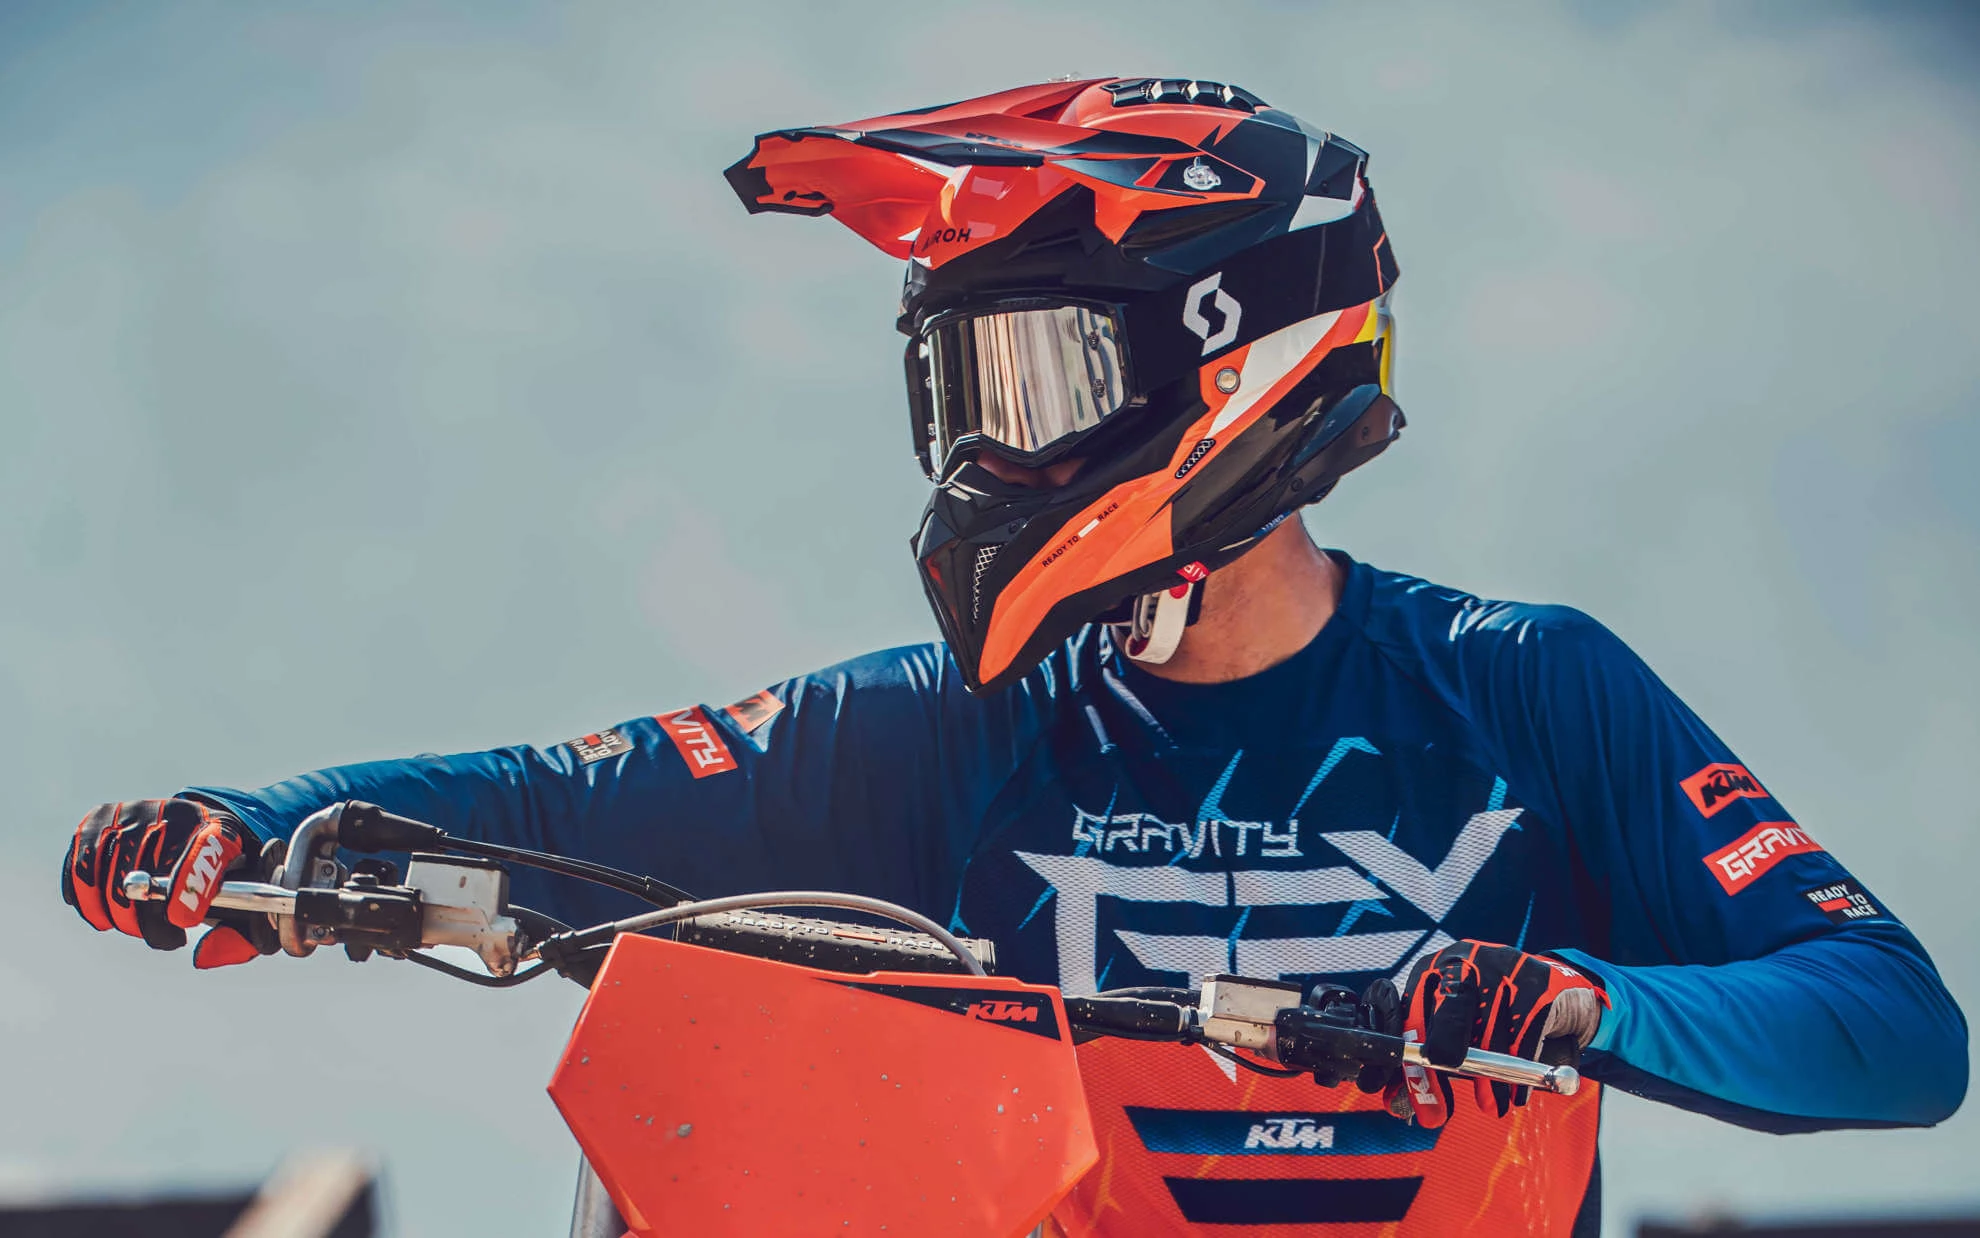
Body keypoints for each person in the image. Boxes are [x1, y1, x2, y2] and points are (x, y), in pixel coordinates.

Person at [61, 77, 1967, 1236]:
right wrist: (252, 825)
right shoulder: (951, 725)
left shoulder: (1526, 688)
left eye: (1036, 376)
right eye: (954, 390)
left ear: (1236, 355)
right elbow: (558, 801)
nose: (982, 451)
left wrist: (1579, 1004)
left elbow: (1894, 1022)